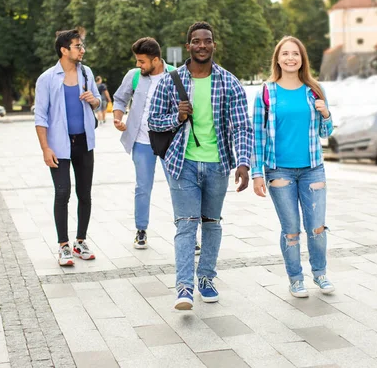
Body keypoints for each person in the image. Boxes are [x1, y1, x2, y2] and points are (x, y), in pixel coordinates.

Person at [148, 21, 253, 310]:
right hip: (183, 164)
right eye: (196, 41)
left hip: (218, 165)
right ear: (188, 46)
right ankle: (184, 287)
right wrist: (176, 118)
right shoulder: (171, 81)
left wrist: (243, 163)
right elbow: (152, 121)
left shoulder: (228, 81)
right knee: (185, 225)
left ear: (213, 45)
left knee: (212, 224)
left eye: (207, 41)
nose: (202, 45)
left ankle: (206, 278)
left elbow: (242, 126)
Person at [251, 36, 335, 298]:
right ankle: (296, 279)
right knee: (291, 230)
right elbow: (257, 136)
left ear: (302, 59)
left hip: (313, 169)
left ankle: (320, 274)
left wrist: (326, 114)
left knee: (317, 227)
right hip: (279, 171)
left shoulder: (315, 90)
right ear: (277, 58)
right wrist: (256, 173)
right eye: (285, 54)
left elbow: (326, 133)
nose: (290, 58)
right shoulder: (266, 93)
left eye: (295, 54)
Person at [34, 29, 101, 266]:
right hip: (59, 145)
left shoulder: (86, 73)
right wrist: (45, 148)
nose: (82, 50)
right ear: (64, 50)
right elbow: (40, 117)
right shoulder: (47, 79)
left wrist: (94, 100)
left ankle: (80, 241)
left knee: (85, 193)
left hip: (84, 141)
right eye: (77, 46)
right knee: (62, 193)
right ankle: (63, 245)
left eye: (82, 46)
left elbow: (96, 102)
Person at [112, 37, 185, 250]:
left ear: (155, 59)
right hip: (141, 141)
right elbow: (120, 98)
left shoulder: (175, 75)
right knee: (143, 187)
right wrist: (118, 118)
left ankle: (186, 233)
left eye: (142, 61)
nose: (138, 65)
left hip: (169, 141)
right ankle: (141, 230)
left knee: (178, 187)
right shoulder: (134, 76)